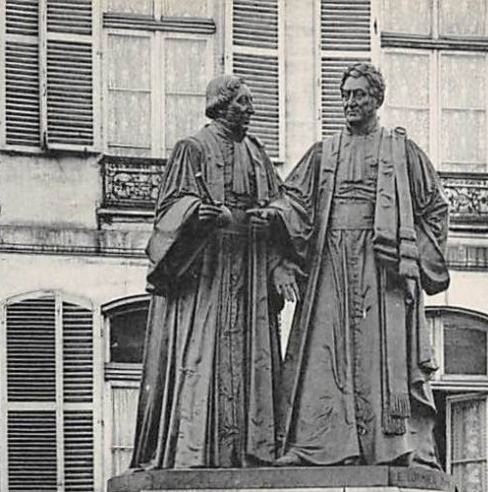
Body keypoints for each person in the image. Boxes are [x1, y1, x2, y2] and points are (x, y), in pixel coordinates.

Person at [256, 62, 450, 466]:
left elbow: (434, 207)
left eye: (359, 94)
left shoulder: (401, 149)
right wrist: (276, 215)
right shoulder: (324, 151)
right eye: (345, 95)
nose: (351, 102)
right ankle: (317, 446)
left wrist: (407, 253)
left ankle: (394, 447)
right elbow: (293, 199)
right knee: (324, 353)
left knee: (383, 357)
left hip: (380, 267)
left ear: (376, 99)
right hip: (330, 260)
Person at [131, 76, 297, 469]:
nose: (250, 110)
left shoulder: (257, 153)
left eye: (250, 102)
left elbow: (281, 204)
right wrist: (196, 213)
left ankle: (250, 452)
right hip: (206, 272)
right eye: (243, 102)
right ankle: (196, 452)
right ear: (221, 106)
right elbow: (170, 208)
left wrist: (270, 218)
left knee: (251, 360)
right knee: (201, 356)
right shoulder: (192, 149)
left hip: (251, 269)